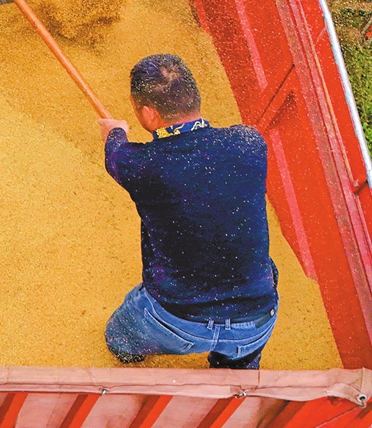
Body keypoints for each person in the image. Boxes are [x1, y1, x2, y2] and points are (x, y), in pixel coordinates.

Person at [97, 54, 278, 369]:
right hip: (256, 319)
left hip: (176, 320)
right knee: (242, 363)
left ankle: (132, 353)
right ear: (195, 96)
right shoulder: (250, 144)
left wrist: (115, 131)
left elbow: (116, 153)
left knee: (119, 339)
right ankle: (238, 368)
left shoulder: (142, 166)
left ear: (149, 114)